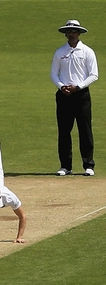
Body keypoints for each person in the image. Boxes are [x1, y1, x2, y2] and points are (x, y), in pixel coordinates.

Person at [50, 19, 99, 176]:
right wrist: (61, 86)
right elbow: (53, 73)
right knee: (64, 131)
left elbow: (94, 75)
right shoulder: (60, 52)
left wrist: (78, 87)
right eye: (69, 31)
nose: (71, 34)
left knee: (85, 130)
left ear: (79, 33)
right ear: (66, 34)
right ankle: (65, 166)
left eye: (74, 31)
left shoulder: (87, 51)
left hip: (81, 94)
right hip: (64, 95)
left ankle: (88, 165)